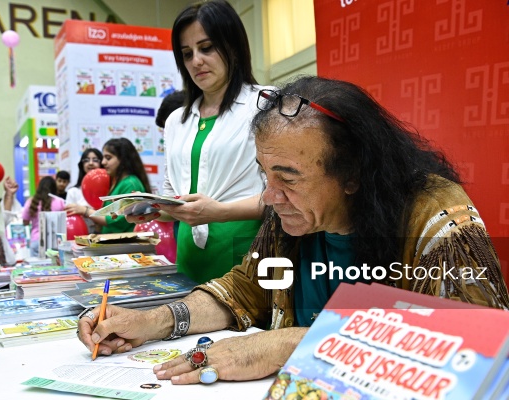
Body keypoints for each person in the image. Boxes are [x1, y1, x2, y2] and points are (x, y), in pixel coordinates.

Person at [78, 75, 509, 386]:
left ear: (353, 174)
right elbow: (246, 290)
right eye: (264, 174)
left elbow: (479, 344)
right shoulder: (289, 220)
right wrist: (153, 320)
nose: (269, 196)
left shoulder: (436, 217)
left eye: (288, 177)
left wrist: (290, 344)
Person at [134, 0, 270, 284]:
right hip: (190, 256)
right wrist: (151, 210)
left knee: (251, 326)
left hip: (249, 251)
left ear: (232, 45)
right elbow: (174, 194)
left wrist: (219, 212)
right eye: (186, 53)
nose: (196, 61)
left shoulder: (266, 104)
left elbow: (285, 195)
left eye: (206, 48)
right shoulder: (176, 121)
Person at [66, 138, 151, 233]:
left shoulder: (130, 184)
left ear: (122, 159)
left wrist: (85, 211)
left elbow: (116, 220)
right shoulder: (119, 182)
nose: (103, 162)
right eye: (103, 158)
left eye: (108, 158)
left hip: (124, 243)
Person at [22, 176, 64, 257]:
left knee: (36, 269)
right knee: (56, 268)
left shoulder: (31, 201)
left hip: (36, 241)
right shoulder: (60, 202)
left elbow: (25, 222)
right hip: (55, 242)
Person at [65, 148, 103, 234]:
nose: (90, 163)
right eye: (86, 160)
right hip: (81, 238)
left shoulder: (110, 190)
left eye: (95, 160)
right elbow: (70, 220)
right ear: (82, 165)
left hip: (107, 236)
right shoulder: (73, 192)